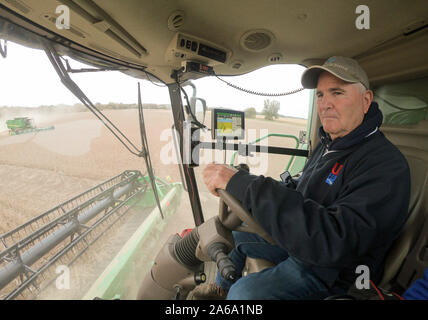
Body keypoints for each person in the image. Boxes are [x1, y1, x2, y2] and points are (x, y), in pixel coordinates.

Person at [198, 56, 411, 300]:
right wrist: (249, 186)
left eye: (337, 92)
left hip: (335, 272)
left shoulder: (386, 166)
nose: (325, 104)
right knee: (234, 230)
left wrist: (247, 188)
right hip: (304, 241)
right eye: (320, 95)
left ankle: (230, 293)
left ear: (366, 101)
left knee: (244, 294)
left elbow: (333, 242)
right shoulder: (330, 143)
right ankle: (218, 291)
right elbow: (301, 190)